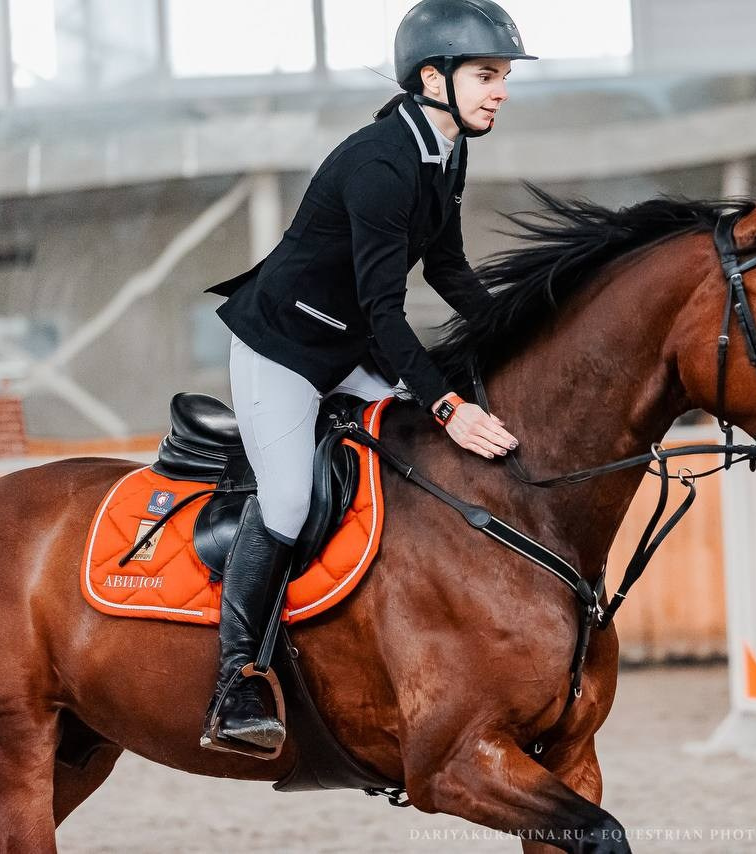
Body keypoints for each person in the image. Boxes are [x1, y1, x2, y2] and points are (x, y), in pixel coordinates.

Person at [200, 0, 534, 755]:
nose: (501, 91)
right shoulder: (382, 162)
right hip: (282, 345)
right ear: (432, 77)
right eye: (487, 75)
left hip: (349, 341)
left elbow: (444, 264)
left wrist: (513, 332)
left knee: (418, 460)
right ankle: (235, 680)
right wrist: (447, 403)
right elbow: (388, 311)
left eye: (504, 76)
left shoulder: (447, 148)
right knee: (286, 498)